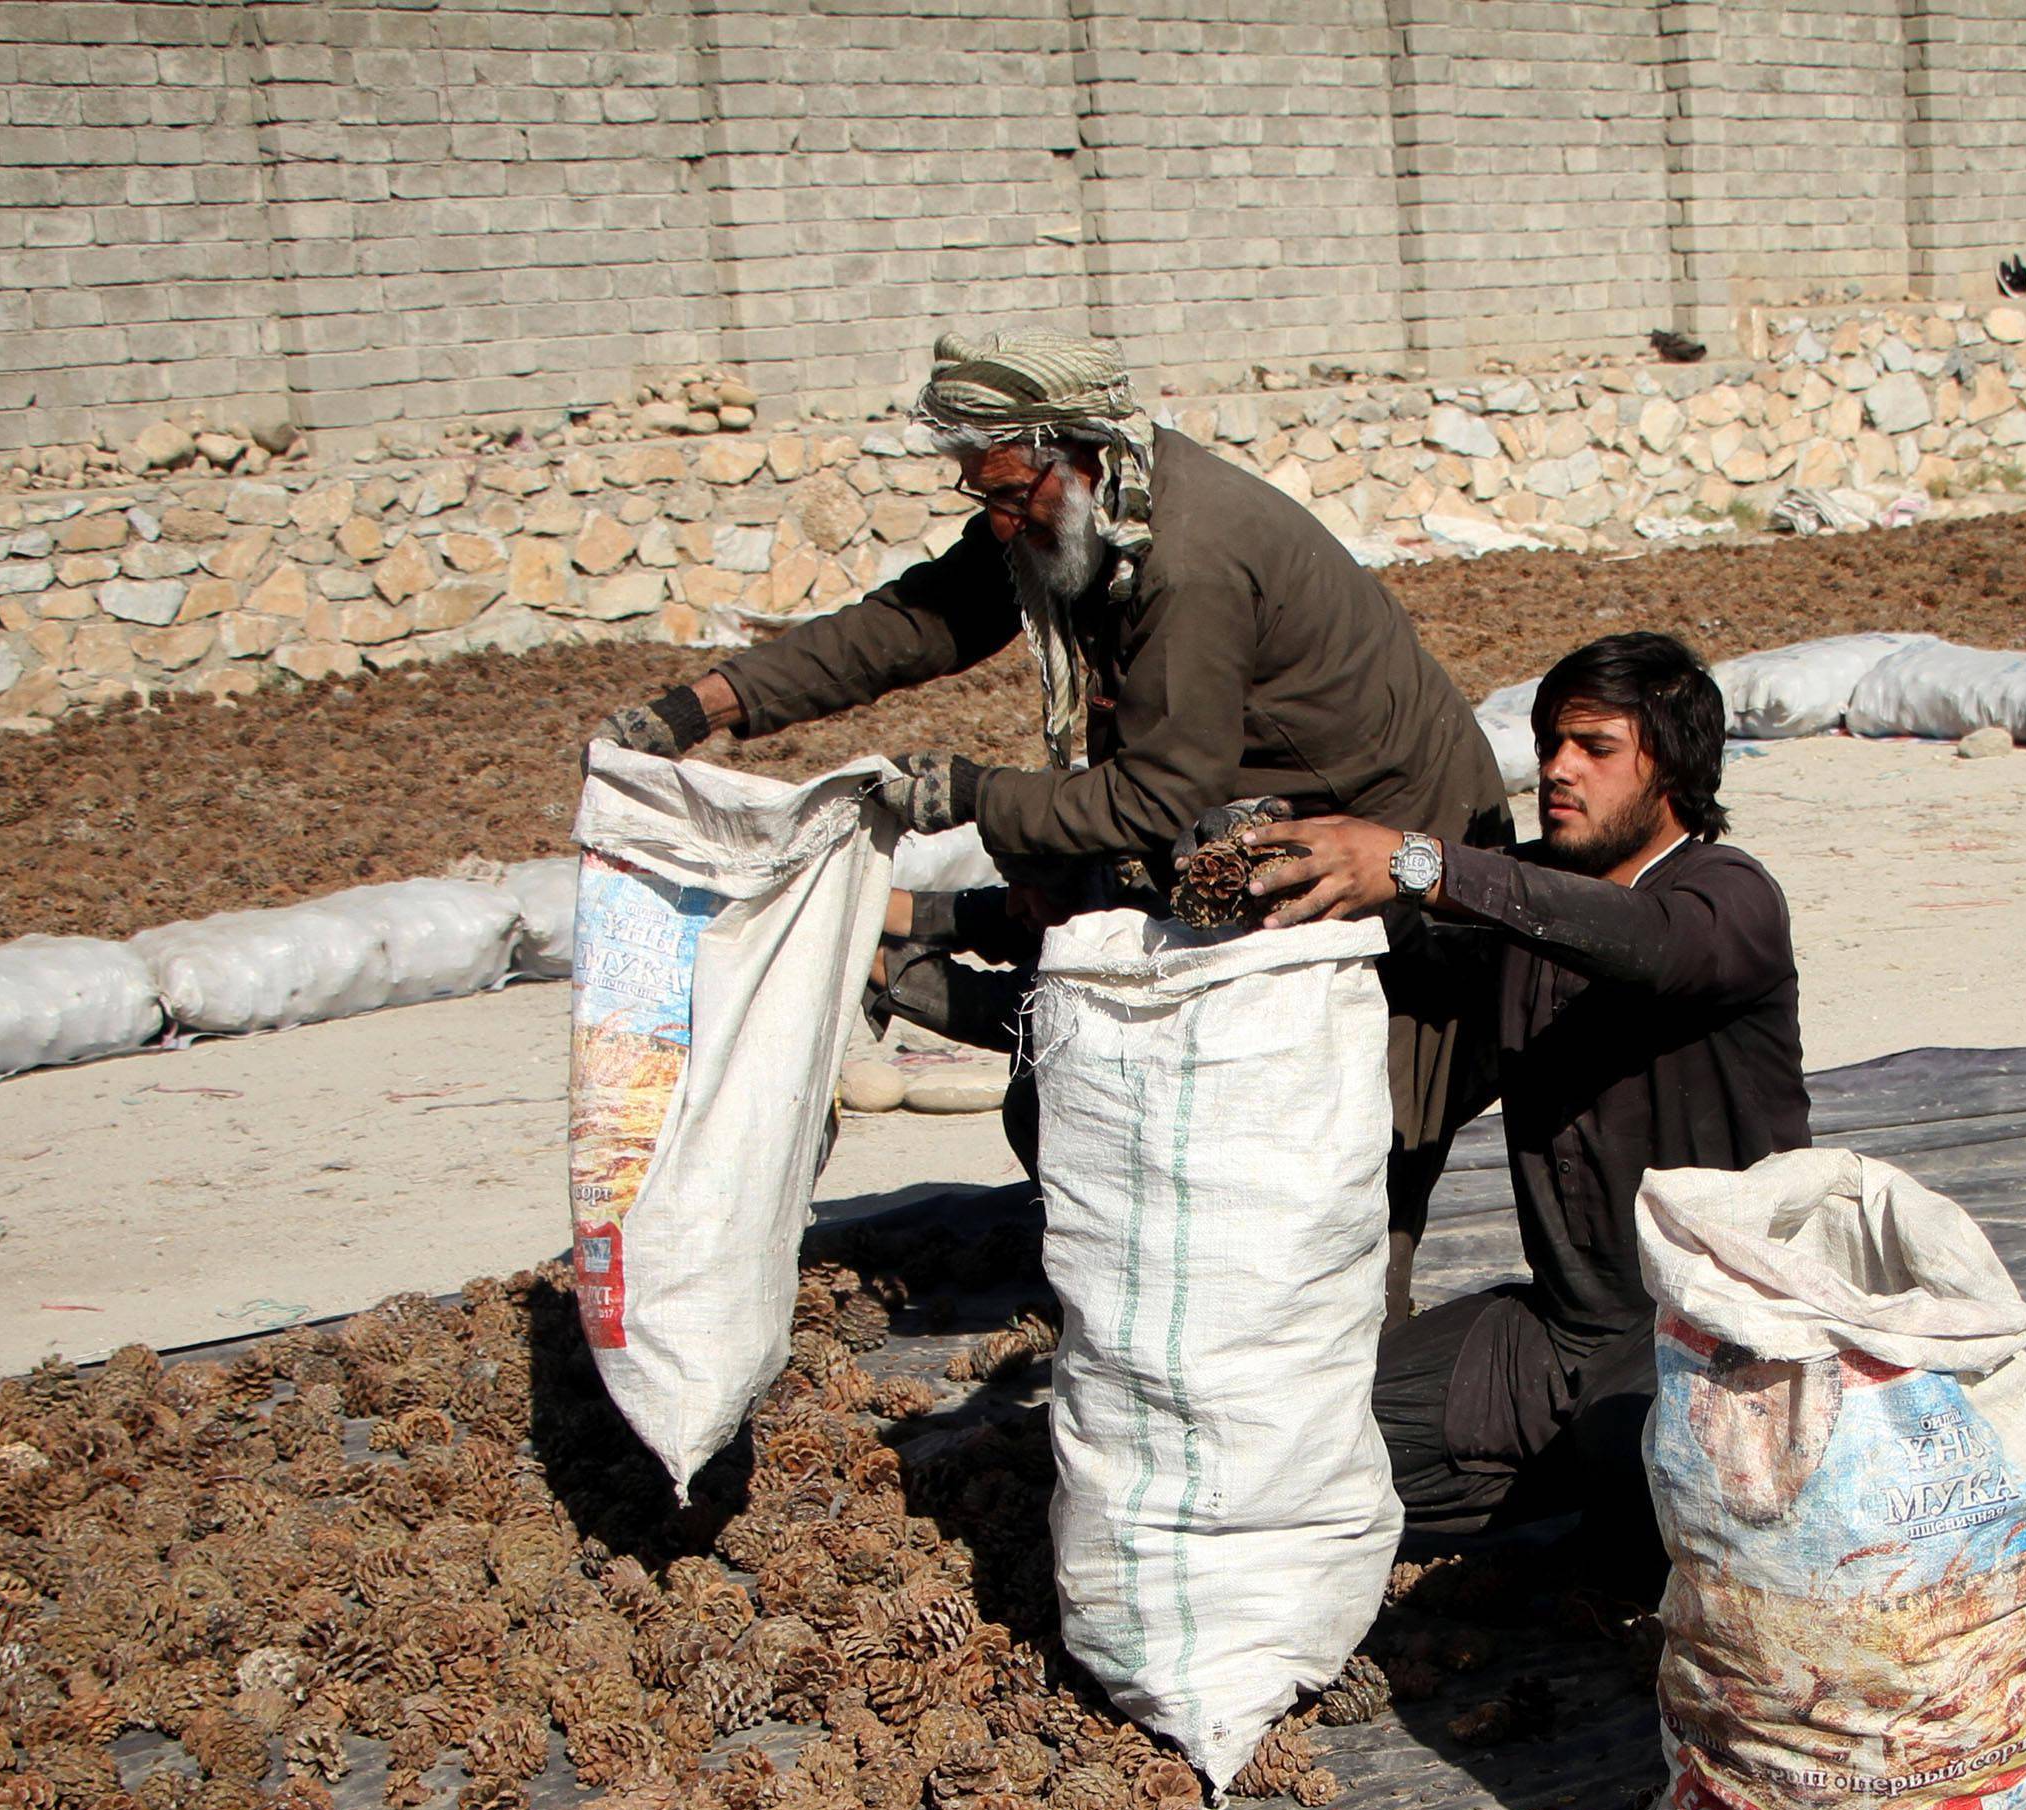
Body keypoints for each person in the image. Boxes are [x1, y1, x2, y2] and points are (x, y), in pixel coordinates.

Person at [595, 329, 1507, 1293]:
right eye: (977, 492)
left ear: (1084, 456)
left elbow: (1160, 793)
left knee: (1340, 1180)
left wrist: (975, 795)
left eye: (1006, 492)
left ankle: (1360, 1387)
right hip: (1241, 835)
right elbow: (914, 622)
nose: (994, 521)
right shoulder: (1069, 515)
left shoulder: (1187, 563)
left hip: (1391, 858)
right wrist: (698, 708)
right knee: (1095, 1070)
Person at [1243, 631, 1809, 1584]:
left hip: (1717, 1339)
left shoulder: (1727, 897)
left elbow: (1645, 945)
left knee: (1653, 1450)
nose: (1556, 769)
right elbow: (1418, 967)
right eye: (1549, 743)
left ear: (1668, 767)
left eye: (1594, 748)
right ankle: (1594, 1494)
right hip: (1562, 1334)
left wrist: (1427, 865)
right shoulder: (1526, 914)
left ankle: (1627, 1504)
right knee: (1321, 1447)